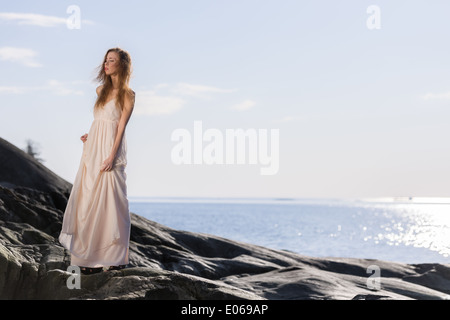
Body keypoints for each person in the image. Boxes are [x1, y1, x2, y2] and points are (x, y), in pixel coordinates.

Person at [59, 47, 135, 274]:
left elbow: (120, 127)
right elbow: (101, 121)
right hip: (93, 149)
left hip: (111, 150)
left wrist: (112, 156)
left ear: (122, 64)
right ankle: (87, 260)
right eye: (106, 60)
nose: (107, 64)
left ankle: (115, 258)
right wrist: (89, 137)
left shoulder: (127, 95)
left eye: (112, 60)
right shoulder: (100, 89)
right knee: (88, 199)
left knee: (114, 201)